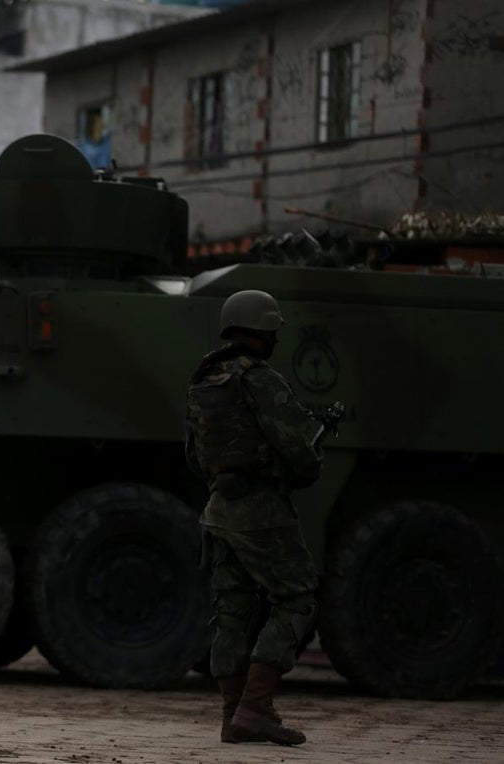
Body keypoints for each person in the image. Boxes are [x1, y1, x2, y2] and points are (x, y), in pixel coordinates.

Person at [184, 289, 322, 747]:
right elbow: (300, 456)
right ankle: (256, 707)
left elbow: (193, 453)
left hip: (218, 511)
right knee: (297, 598)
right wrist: (303, 463)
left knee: (232, 611)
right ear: (264, 331)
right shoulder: (260, 379)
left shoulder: (204, 380)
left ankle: (231, 715)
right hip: (261, 513)